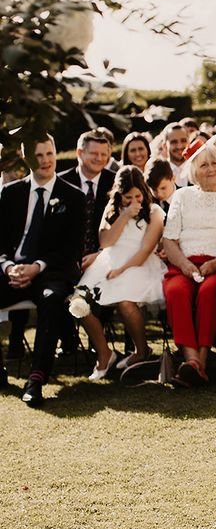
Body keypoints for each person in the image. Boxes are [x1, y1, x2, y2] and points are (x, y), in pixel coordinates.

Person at [0, 136, 86, 406]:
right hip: (13, 270)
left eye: (50, 153)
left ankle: (36, 379)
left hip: (52, 272)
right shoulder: (10, 193)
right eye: (39, 155)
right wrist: (8, 266)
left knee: (51, 300)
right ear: (26, 158)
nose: (46, 160)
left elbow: (72, 249)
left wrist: (37, 267)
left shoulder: (74, 196)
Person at [162, 140, 216, 386]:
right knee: (176, 291)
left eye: (215, 163)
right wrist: (185, 265)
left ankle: (201, 361)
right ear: (194, 169)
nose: (211, 169)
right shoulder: (182, 195)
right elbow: (169, 239)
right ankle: (191, 359)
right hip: (184, 265)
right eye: (204, 164)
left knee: (209, 292)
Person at [77, 166, 166, 373]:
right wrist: (124, 215)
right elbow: (106, 241)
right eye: (128, 197)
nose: (134, 201)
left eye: (138, 195)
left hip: (139, 264)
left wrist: (121, 270)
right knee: (78, 302)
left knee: (126, 303)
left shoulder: (154, 212)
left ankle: (142, 350)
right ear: (119, 195)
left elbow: (145, 250)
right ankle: (104, 353)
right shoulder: (112, 210)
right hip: (109, 262)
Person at [58, 129, 116, 271]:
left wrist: (101, 254)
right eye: (94, 153)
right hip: (65, 260)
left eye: (104, 154)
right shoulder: (61, 182)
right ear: (80, 153)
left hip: (106, 259)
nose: (99, 158)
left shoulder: (116, 183)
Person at [162, 123, 189, 187]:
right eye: (174, 142)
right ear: (164, 146)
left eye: (183, 141)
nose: (179, 146)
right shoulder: (159, 172)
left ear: (189, 143)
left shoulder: (197, 168)